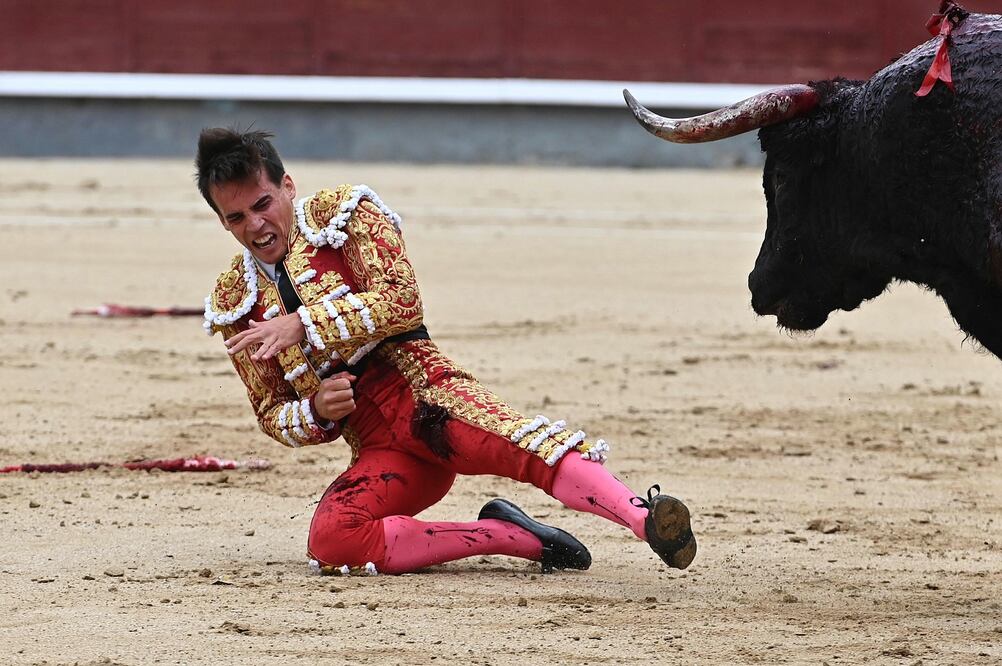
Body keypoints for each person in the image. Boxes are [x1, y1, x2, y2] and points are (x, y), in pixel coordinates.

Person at [198, 128, 697, 575]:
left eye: (262, 204)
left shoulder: (346, 216)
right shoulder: (234, 300)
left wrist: (304, 324)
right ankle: (511, 537)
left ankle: (644, 519)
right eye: (237, 216)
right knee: (333, 539)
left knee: (526, 445)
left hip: (428, 397)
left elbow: (401, 299)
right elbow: (270, 411)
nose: (255, 225)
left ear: (288, 186)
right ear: (223, 222)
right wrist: (316, 410)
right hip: (382, 448)